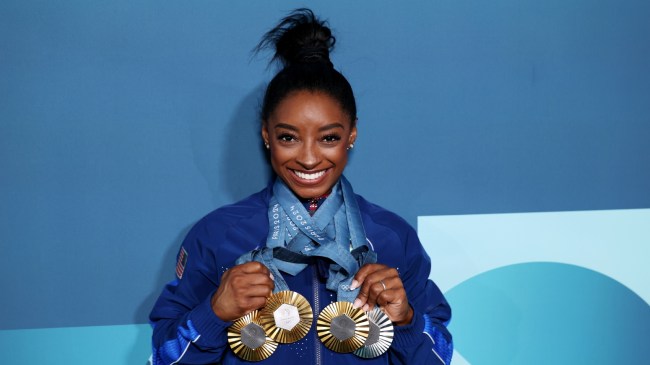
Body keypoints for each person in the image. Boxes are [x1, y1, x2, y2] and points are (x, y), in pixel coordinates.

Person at [150, 8, 452, 365]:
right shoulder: (216, 236)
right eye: (289, 137)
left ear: (351, 135)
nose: (309, 159)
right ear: (266, 135)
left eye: (328, 138)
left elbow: (439, 358)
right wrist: (213, 313)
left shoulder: (391, 238)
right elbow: (163, 357)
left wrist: (406, 320)